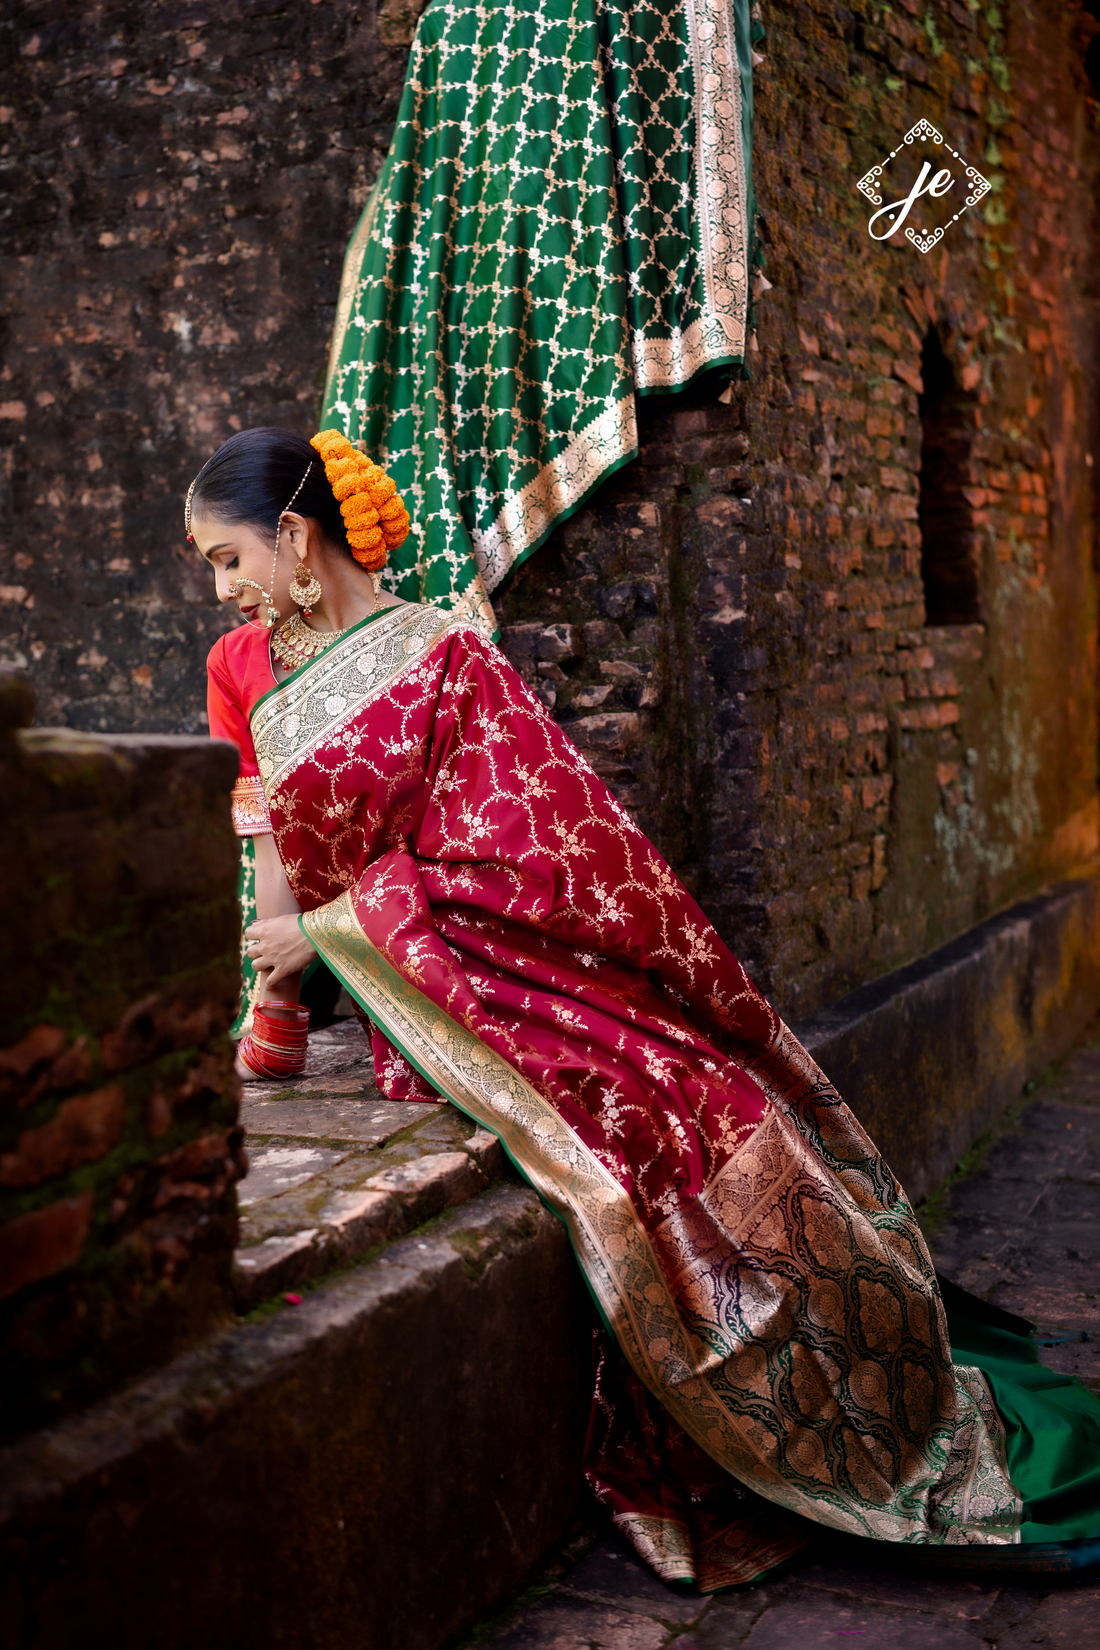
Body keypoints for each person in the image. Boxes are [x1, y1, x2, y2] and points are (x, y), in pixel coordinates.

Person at [196, 424, 1100, 1589]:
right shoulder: (254, 675)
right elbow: (278, 853)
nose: (220, 588)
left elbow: (533, 852)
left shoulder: (444, 653)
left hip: (520, 978)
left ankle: (866, 1377)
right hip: (437, 1012)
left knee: (681, 1103)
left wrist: (325, 932)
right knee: (630, 1135)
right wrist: (276, 997)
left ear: (291, 533)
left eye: (226, 558)